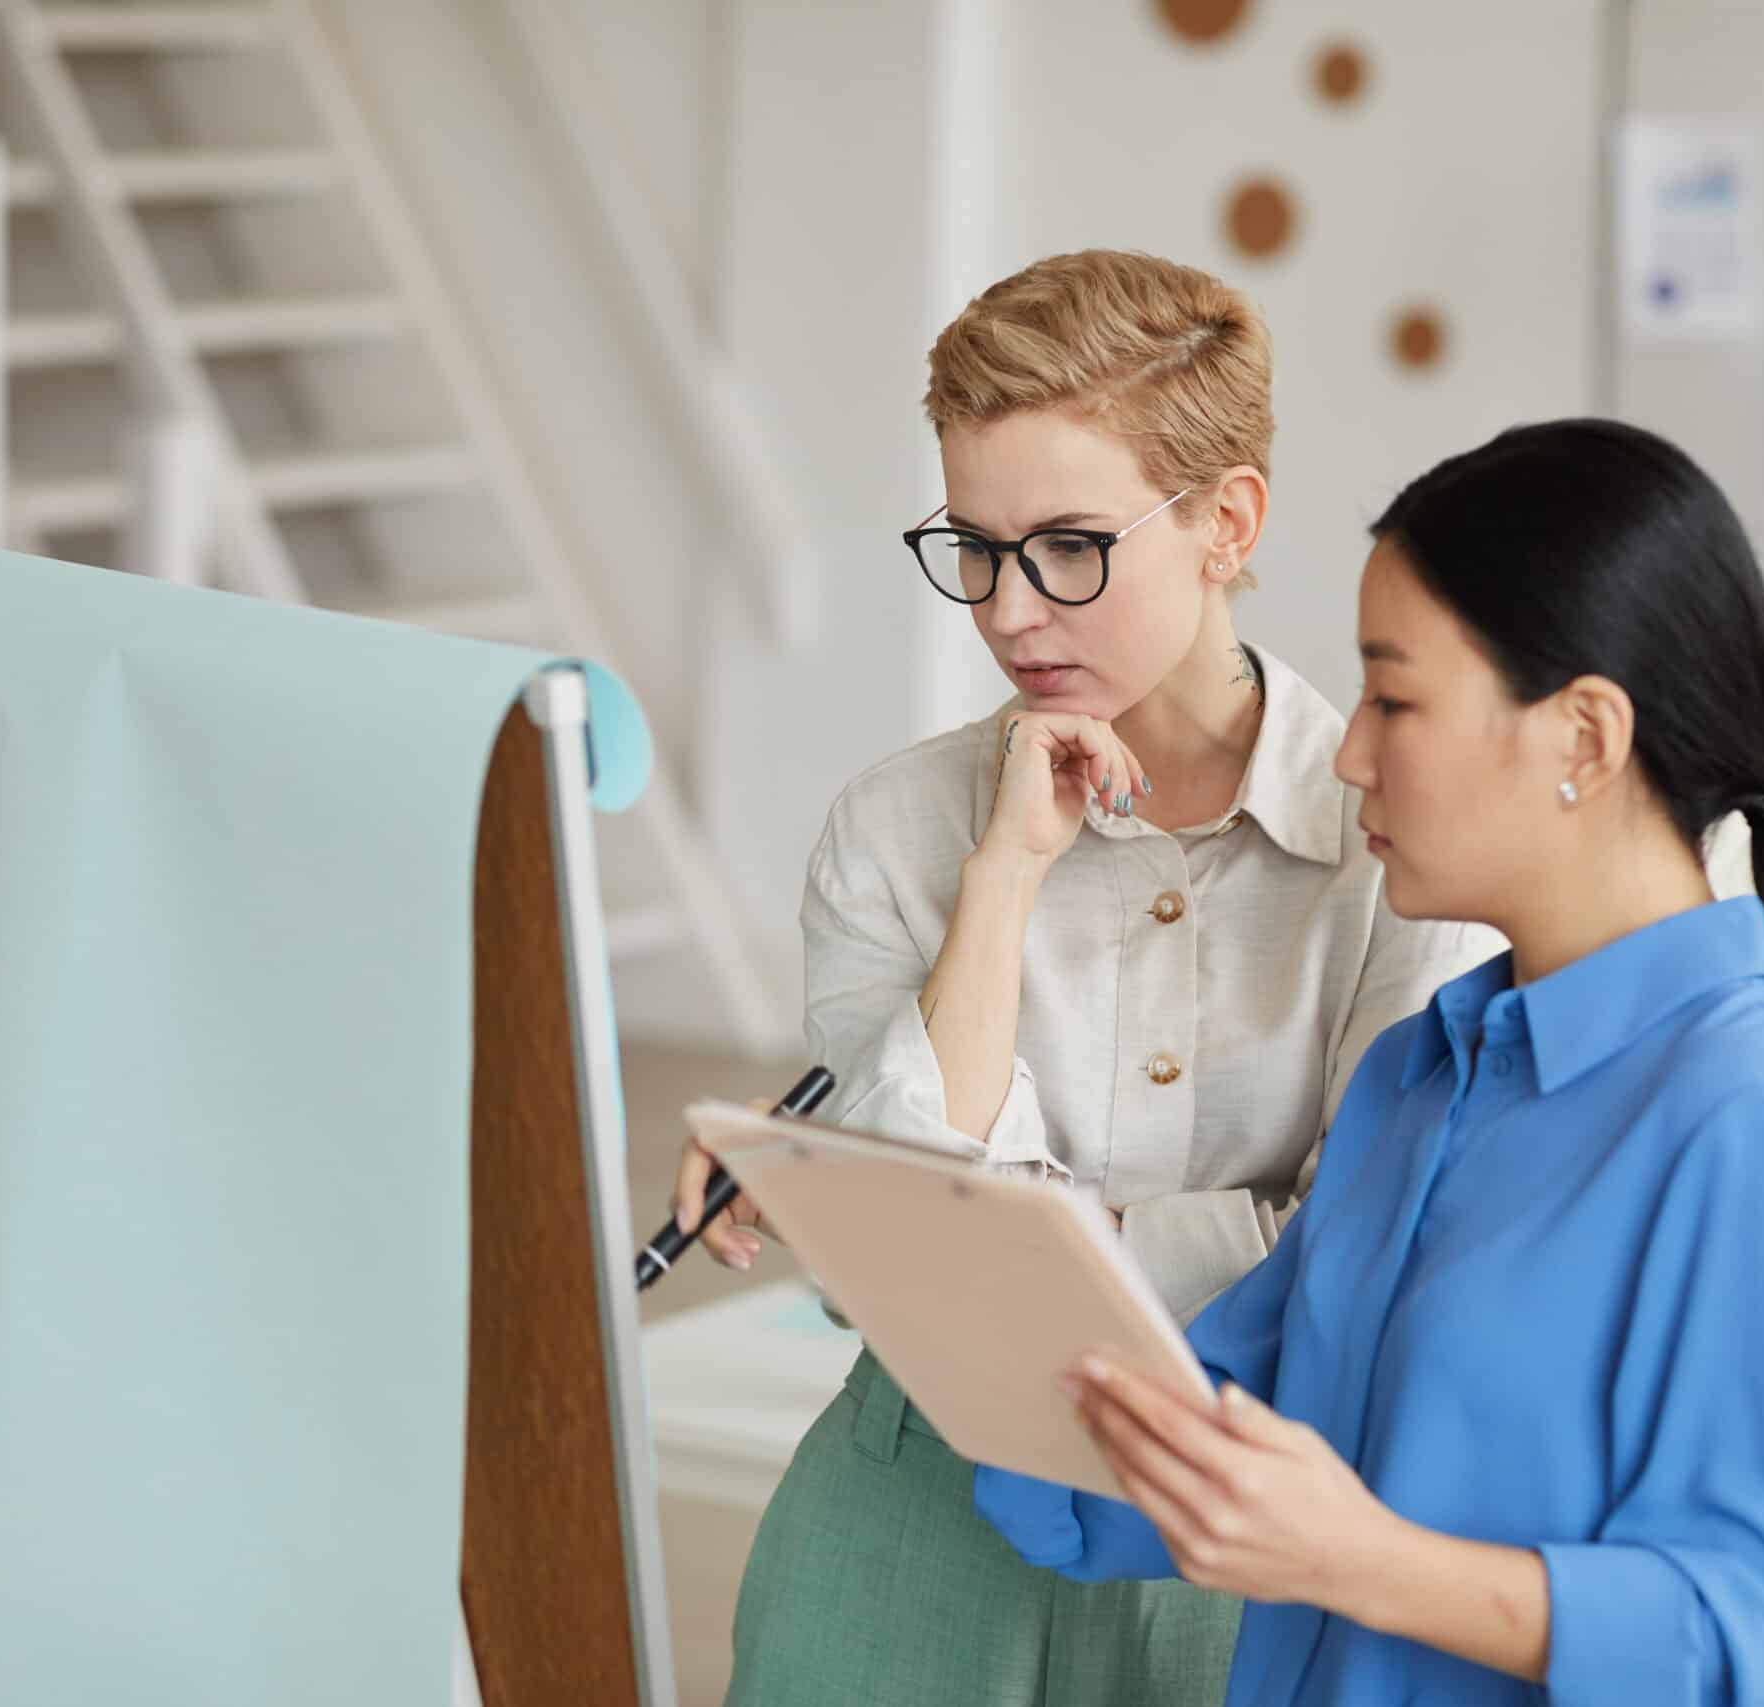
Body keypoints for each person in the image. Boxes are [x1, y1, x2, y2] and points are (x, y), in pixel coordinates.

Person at [975, 417, 1764, 1705]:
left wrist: (1362, 1560)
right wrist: (878, 1217)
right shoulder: (1415, 1080)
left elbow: (1755, 1637)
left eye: (1397, 696)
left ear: (1584, 739)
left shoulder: (1749, 1121)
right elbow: (1185, 1435)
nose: (1348, 750)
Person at [670, 249, 1497, 1705]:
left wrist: (1005, 1226)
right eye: (975, 550)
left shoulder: (1401, 846)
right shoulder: (896, 831)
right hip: (901, 1526)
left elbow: (1364, 1264)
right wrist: (1004, 876)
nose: (1006, 611)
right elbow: (903, 1283)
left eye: (1067, 547)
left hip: (1245, 1540)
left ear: (1226, 523)